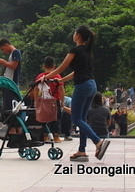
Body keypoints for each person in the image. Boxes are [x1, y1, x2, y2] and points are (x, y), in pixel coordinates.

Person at [42, 25, 110, 162]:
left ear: (78, 35)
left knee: (77, 118)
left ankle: (98, 142)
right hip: (92, 85)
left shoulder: (75, 50)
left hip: (82, 86)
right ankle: (82, 151)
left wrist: (47, 77)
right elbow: (76, 72)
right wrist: (61, 79)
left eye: (74, 33)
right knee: (82, 118)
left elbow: (62, 67)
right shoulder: (88, 51)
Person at [33, 56, 64, 142]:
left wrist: (36, 101)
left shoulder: (40, 76)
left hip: (44, 101)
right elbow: (61, 90)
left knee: (44, 118)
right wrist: (62, 101)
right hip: (55, 101)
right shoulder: (57, 76)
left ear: (44, 66)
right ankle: (56, 136)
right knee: (56, 118)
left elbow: (35, 89)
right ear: (54, 66)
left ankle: (45, 136)